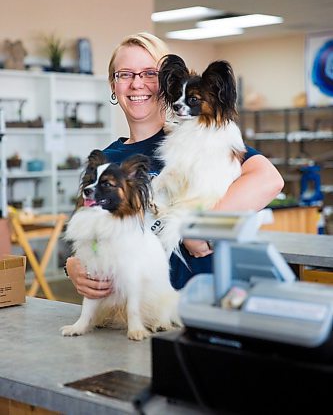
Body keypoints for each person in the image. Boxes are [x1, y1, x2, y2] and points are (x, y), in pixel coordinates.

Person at [65, 32, 284, 297]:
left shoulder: (200, 136)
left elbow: (268, 180)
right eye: (125, 74)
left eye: (149, 73)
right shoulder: (105, 159)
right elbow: (91, 231)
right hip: (137, 308)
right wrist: (75, 264)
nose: (137, 84)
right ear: (113, 85)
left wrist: (197, 226)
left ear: (167, 83)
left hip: (198, 297)